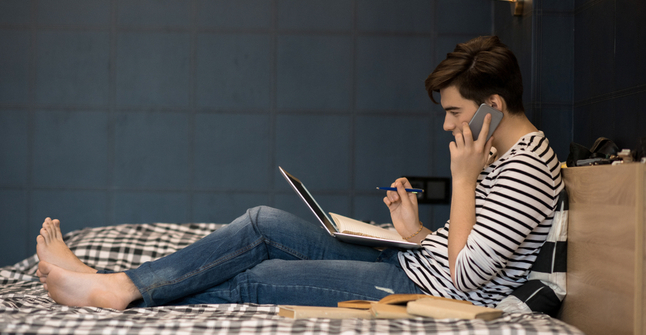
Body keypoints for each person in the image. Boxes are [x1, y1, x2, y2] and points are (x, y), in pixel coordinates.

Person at [36, 35, 563, 310]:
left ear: (492, 104)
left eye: (454, 112)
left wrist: (464, 179)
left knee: (256, 279)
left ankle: (113, 288)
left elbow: (467, 279)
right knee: (262, 221)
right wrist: (414, 232)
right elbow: (467, 248)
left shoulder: (528, 169)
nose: (448, 128)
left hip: (421, 291)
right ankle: (117, 284)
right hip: (414, 263)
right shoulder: (504, 158)